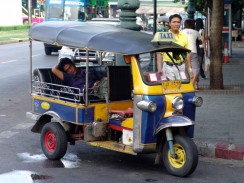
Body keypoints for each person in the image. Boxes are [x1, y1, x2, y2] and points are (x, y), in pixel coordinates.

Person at [157, 14, 192, 81]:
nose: (176, 24)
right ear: (170, 24)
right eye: (174, 22)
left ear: (180, 23)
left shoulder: (184, 36)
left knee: (181, 87)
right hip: (168, 67)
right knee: (171, 89)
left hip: (181, 67)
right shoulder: (164, 36)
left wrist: (189, 68)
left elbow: (187, 53)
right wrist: (159, 69)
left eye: (178, 22)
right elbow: (159, 54)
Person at [182, 19, 202, 90]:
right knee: (196, 69)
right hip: (193, 51)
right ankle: (192, 84)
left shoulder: (181, 32)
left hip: (183, 52)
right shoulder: (196, 32)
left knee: (185, 68)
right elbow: (201, 42)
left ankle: (187, 84)